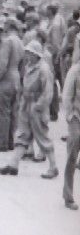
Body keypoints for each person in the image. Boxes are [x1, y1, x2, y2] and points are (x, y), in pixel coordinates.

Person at [0, 41, 60, 179]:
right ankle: (13, 165)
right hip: (27, 104)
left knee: (42, 137)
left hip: (37, 106)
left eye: (30, 53)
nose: (27, 55)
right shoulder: (29, 66)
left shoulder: (44, 69)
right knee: (22, 135)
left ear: (36, 54)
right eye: (27, 53)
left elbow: (48, 92)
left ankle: (53, 167)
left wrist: (39, 106)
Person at [0, 18, 24, 151]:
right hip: (15, 77)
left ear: (8, 26)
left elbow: (2, 65)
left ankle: (0, 143)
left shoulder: (7, 41)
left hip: (5, 78)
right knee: (12, 112)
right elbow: (22, 64)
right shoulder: (20, 42)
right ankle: (10, 141)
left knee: (0, 112)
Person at [62, 60, 80, 210]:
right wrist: (70, 117)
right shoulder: (75, 71)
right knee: (72, 158)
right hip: (77, 119)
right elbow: (67, 96)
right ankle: (68, 196)